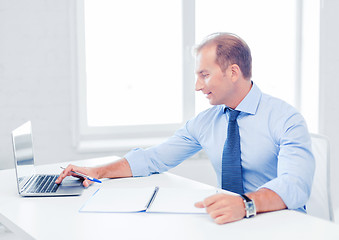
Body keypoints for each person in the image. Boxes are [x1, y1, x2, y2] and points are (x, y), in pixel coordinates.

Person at [56, 32, 315, 224]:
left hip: (284, 225)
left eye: (205, 75)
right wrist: (95, 171)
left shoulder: (285, 119)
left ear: (233, 72)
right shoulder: (206, 122)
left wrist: (245, 204)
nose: (197, 86)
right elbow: (153, 159)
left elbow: (296, 185)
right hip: (231, 224)